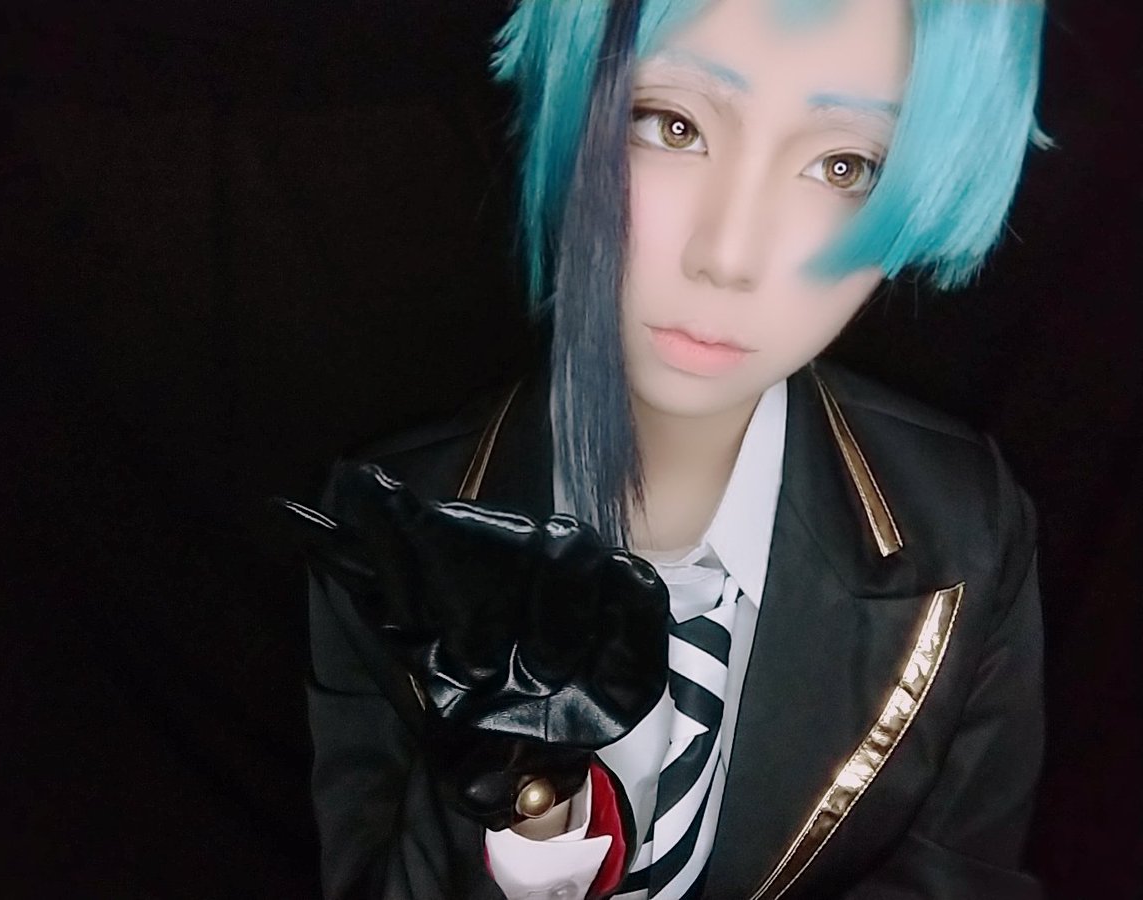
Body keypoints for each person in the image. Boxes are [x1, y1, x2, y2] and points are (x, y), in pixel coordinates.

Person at [296, 0, 1048, 897]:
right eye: (673, 125)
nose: (727, 254)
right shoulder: (392, 527)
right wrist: (531, 807)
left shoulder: (963, 527)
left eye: (845, 166)